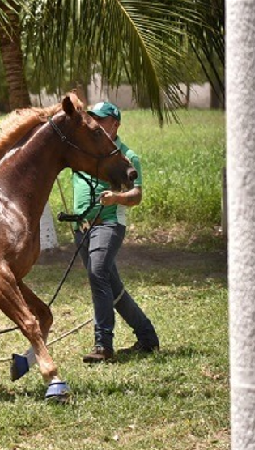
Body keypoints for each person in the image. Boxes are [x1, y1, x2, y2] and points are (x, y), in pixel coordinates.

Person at [74, 101, 159, 363]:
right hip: (81, 228)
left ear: (115, 124)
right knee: (113, 288)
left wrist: (116, 198)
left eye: (101, 119)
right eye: (93, 119)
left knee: (97, 273)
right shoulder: (85, 152)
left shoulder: (127, 156)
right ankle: (147, 338)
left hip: (109, 224)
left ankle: (103, 345)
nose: (96, 123)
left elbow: (136, 195)